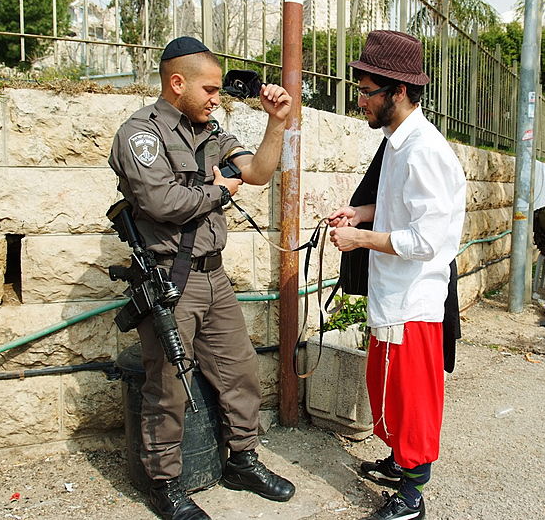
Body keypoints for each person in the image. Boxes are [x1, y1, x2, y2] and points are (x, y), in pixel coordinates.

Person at [108, 36, 295, 520]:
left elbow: (255, 171)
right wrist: (215, 191)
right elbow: (160, 203)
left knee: (241, 372)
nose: (217, 98)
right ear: (177, 83)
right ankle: (164, 484)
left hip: (215, 279)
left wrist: (277, 123)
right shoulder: (140, 134)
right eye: (209, 89)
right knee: (168, 386)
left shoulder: (210, 130)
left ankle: (242, 460)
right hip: (172, 279)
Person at [327, 30, 466, 520]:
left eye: (367, 91)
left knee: (413, 398)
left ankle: (412, 495)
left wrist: (361, 240)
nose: (360, 100)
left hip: (415, 300)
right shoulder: (397, 144)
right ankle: (399, 462)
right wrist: (360, 214)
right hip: (392, 292)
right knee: (385, 386)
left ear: (399, 92)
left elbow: (427, 240)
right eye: (360, 90)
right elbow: (396, 211)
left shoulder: (424, 150)